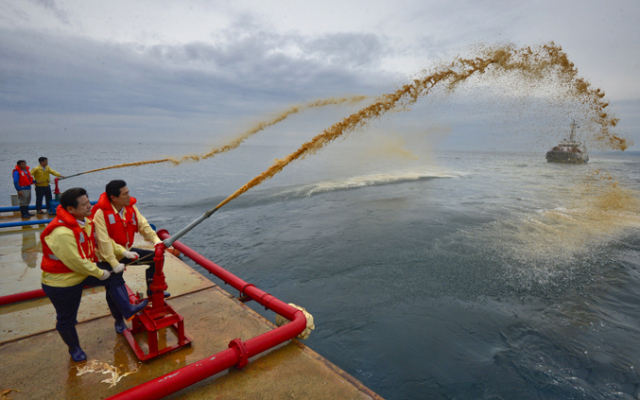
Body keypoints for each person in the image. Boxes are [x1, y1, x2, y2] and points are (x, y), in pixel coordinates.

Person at [41, 187, 148, 362]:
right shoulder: (61, 232)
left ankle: (125, 311)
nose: (89, 206)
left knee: (114, 276)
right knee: (66, 318)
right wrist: (99, 273)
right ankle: (74, 349)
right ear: (70, 209)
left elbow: (103, 241)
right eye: (84, 205)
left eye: (88, 201)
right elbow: (75, 262)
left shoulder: (86, 221)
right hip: (62, 281)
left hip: (82, 271)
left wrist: (123, 252)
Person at [92, 180, 170, 298]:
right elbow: (104, 241)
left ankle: (152, 290)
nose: (129, 196)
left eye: (128, 192)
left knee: (156, 259)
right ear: (114, 198)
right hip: (107, 258)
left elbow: (143, 225)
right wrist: (114, 263)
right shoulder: (101, 214)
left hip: (127, 251)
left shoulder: (130, 208)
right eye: (125, 194)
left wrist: (156, 240)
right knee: (114, 290)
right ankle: (119, 316)